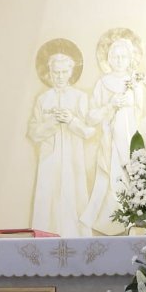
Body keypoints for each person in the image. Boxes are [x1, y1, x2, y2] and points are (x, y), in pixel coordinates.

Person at [82, 33, 146, 234]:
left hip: (131, 138)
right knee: (111, 176)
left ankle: (135, 218)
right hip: (111, 139)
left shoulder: (135, 82)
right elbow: (91, 116)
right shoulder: (103, 83)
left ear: (130, 59)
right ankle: (110, 221)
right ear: (108, 59)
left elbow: (144, 111)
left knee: (132, 174)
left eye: (123, 57)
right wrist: (111, 105)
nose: (119, 61)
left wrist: (134, 98)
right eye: (115, 57)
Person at [27, 50, 95, 237]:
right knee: (48, 197)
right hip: (50, 159)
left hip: (73, 159)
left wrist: (71, 120)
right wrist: (53, 122)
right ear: (50, 73)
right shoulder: (43, 99)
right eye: (56, 72)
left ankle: (77, 239)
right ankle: (45, 239)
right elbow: (33, 132)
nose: (60, 77)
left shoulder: (80, 97)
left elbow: (89, 131)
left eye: (64, 72)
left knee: (74, 197)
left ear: (70, 72)